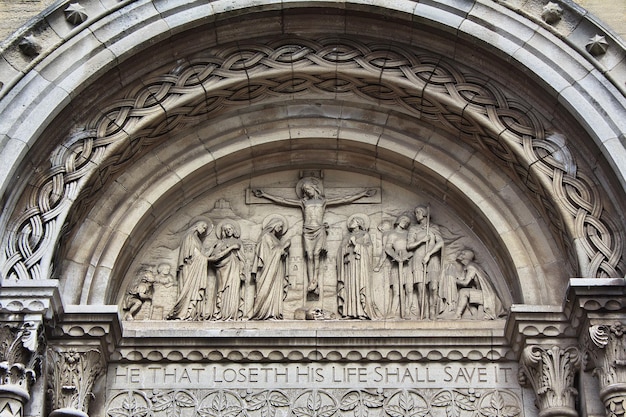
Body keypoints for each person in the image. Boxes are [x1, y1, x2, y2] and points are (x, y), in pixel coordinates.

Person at [254, 177, 376, 295]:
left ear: (314, 188)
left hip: (319, 230)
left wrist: (363, 194)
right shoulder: (303, 202)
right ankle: (310, 280)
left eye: (308, 190)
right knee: (309, 255)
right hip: (307, 231)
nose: (307, 192)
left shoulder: (323, 202)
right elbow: (284, 201)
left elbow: (344, 199)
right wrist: (265, 195)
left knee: (317, 254)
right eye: (305, 191)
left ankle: (315, 281)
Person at [167, 221, 212, 320]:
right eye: (203, 227)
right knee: (187, 289)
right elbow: (194, 255)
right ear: (196, 226)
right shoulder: (189, 237)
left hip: (196, 268)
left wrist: (212, 249)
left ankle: (191, 313)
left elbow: (201, 255)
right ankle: (182, 312)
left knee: (193, 290)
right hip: (189, 268)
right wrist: (208, 259)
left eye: (205, 229)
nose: (204, 230)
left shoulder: (197, 240)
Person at [337, 213, 379, 319]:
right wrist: (346, 247)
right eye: (351, 221)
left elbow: (369, 250)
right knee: (349, 287)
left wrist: (356, 244)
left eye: (354, 221)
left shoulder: (364, 235)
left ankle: (362, 312)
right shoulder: (346, 236)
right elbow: (340, 251)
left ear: (359, 224)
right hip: (349, 265)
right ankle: (349, 312)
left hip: (360, 266)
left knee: (359, 285)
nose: (351, 223)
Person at [251, 215, 291, 320]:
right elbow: (268, 255)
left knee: (275, 289)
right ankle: (262, 311)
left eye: (282, 227)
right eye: (280, 226)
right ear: (273, 225)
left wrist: (284, 251)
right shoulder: (266, 237)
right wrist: (284, 246)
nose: (281, 229)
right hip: (268, 270)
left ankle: (273, 313)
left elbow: (278, 252)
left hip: (277, 269)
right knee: (266, 288)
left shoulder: (275, 239)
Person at [407, 205, 443, 320]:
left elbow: (440, 243)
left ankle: (433, 310)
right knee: (421, 288)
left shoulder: (433, 228)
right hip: (418, 259)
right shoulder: (414, 229)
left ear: (424, 214)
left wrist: (429, 254)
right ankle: (424, 313)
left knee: (433, 287)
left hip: (432, 258)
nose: (416, 215)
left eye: (418, 212)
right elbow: (409, 246)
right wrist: (422, 240)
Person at [374, 215, 412, 318]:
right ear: (399, 220)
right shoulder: (391, 234)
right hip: (396, 263)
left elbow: (413, 248)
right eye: (404, 220)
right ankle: (393, 311)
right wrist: (396, 257)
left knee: (409, 289)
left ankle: (407, 311)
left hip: (408, 264)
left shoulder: (408, 234)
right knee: (396, 290)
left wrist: (407, 256)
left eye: (408, 222)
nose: (406, 223)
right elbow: (387, 248)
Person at [208, 220, 246, 320]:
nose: (228, 231)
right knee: (222, 290)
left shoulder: (238, 242)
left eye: (230, 229)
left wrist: (242, 271)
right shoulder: (219, 242)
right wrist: (228, 248)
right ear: (223, 231)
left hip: (235, 269)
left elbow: (243, 259)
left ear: (233, 230)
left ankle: (232, 314)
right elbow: (214, 256)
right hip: (222, 269)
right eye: (226, 229)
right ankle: (221, 313)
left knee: (233, 289)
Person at [454, 249, 505, 319]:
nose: (460, 254)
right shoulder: (473, 266)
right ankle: (475, 315)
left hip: (486, 297)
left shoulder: (471, 267)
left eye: (463, 253)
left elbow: (465, 283)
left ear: (465, 257)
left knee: (463, 292)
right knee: (469, 293)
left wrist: (453, 280)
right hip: (485, 295)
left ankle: (457, 315)